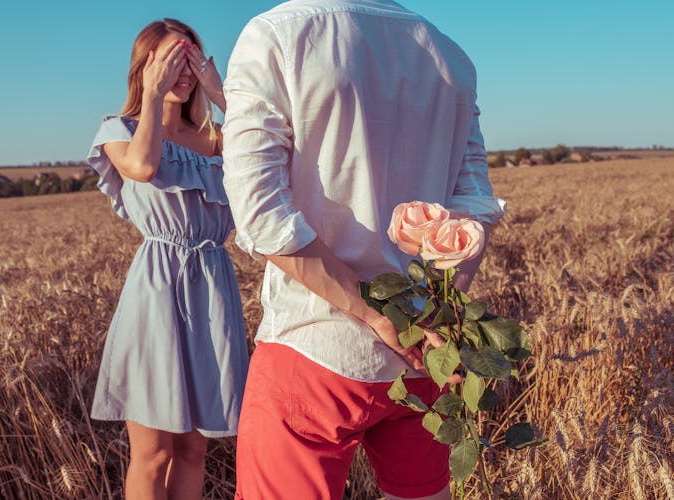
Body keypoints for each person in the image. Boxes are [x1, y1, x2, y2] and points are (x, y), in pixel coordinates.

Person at [221, 1, 506, 499]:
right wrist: (430, 316)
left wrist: (374, 314)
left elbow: (261, 214)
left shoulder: (276, 33)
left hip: (312, 346)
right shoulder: (450, 56)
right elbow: (475, 207)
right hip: (424, 356)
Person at [87, 18, 248, 500]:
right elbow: (143, 167)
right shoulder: (120, 131)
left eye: (190, 59)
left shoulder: (221, 140)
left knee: (196, 451)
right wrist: (153, 97)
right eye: (170, 60)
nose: (182, 70)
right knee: (153, 453)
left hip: (214, 288)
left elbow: (285, 158)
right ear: (145, 67)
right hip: (157, 291)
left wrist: (225, 99)